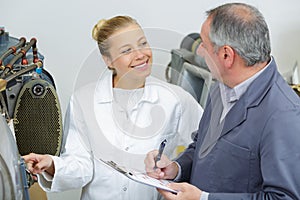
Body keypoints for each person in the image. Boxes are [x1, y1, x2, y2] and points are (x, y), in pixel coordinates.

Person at [23, 15, 203, 199]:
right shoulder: (83, 100)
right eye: (127, 50)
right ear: (108, 60)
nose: (140, 54)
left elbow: (206, 149)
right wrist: (51, 164)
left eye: (143, 43)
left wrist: (175, 168)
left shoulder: (175, 99)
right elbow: (81, 166)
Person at [145, 3, 300, 200]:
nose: (200, 51)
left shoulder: (284, 115)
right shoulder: (222, 86)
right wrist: (175, 169)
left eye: (204, 44)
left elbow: (283, 198)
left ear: (227, 55)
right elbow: (202, 148)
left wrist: (203, 199)